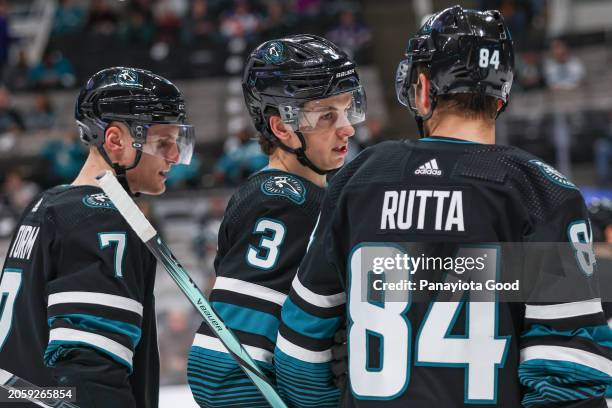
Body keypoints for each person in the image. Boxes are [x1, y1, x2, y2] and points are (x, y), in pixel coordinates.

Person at [274, 6, 612, 407]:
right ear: (501, 95)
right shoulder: (543, 192)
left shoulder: (358, 178)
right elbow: (571, 374)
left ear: (422, 88)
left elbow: (299, 348)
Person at [186, 34, 366, 407]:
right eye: (327, 116)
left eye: (349, 110)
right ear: (282, 128)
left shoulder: (267, 193)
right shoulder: (287, 203)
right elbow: (223, 367)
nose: (347, 128)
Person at [0, 66, 195, 407]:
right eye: (163, 142)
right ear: (116, 140)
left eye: (177, 142)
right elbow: (90, 377)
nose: (175, 156)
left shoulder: (48, 203)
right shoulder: (103, 220)